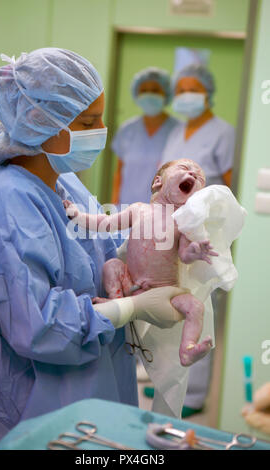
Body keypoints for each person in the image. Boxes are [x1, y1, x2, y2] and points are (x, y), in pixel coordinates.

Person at [0, 48, 187, 449]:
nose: (101, 129)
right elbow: (39, 327)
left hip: (95, 385)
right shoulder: (7, 205)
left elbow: (95, 253)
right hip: (41, 405)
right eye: (88, 122)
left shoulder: (65, 183)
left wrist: (138, 264)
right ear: (40, 121)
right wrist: (131, 308)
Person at [159, 64, 236, 417]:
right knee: (175, 302)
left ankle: (195, 392)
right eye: (182, 89)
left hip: (205, 234)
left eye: (194, 88)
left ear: (207, 91)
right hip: (175, 230)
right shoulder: (177, 131)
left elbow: (231, 187)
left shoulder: (223, 133)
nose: (186, 95)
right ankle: (169, 374)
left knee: (201, 305)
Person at [111, 67, 181, 205]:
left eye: (155, 90)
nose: (149, 94)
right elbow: (119, 173)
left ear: (166, 94)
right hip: (126, 208)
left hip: (163, 210)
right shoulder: (127, 130)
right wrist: (113, 205)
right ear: (137, 94)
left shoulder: (178, 130)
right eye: (144, 90)